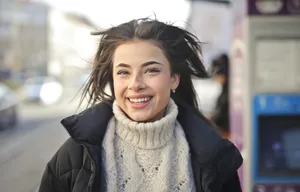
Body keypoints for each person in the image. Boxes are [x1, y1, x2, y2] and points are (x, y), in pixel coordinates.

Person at [39, 18, 243, 192]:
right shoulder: (75, 155)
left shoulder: (214, 155)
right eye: (123, 72)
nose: (135, 85)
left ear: (174, 78)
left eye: (151, 70)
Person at [209, 54, 230, 139]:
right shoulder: (226, 90)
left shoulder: (228, 92)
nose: (216, 77)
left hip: (227, 134)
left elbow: (221, 115)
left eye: (217, 74)